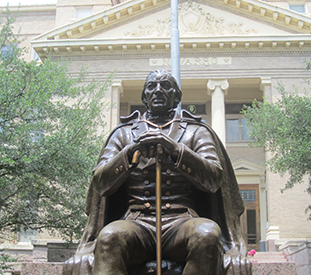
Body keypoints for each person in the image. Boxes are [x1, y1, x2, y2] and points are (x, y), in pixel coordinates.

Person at [63, 70, 251, 275]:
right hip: (136, 223)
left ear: (177, 97)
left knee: (207, 233)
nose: (158, 91)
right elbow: (100, 183)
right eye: (152, 87)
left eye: (165, 86)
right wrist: (130, 152)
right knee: (110, 236)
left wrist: (177, 150)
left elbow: (214, 179)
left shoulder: (196, 131)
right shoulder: (123, 133)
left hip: (182, 222)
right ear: (144, 97)